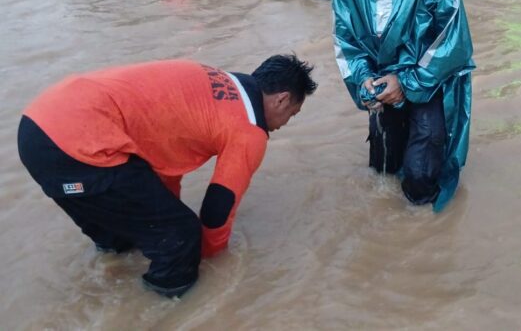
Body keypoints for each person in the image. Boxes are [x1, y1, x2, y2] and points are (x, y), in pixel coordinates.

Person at [17, 55, 317, 298]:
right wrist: (213, 264)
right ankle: (152, 310)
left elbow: (161, 161)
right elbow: (218, 209)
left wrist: (163, 217)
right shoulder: (249, 130)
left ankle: (108, 277)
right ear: (281, 99)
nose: (284, 124)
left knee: (125, 239)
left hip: (38, 124)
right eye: (291, 114)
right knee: (181, 237)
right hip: (76, 147)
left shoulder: (215, 79)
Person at [331, 0, 475, 212]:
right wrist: (364, 81)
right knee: (383, 166)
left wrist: (406, 82)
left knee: (421, 172)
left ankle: (423, 234)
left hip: (429, 84)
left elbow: (452, 43)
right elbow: (347, 44)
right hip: (384, 86)